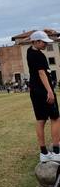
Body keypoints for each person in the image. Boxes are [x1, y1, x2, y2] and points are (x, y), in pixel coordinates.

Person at [27, 30, 60, 163]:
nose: (46, 44)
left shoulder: (29, 52)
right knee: (55, 118)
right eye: (43, 42)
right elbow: (42, 73)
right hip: (43, 91)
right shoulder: (38, 55)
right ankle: (57, 151)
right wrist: (50, 91)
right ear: (36, 41)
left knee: (40, 119)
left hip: (35, 91)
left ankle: (44, 152)